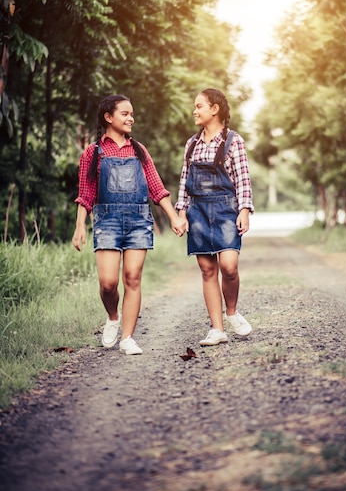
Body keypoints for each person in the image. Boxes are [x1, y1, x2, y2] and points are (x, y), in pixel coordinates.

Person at [72, 94, 186, 355]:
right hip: (107, 220)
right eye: (124, 113)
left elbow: (157, 189)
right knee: (108, 283)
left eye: (132, 113)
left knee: (132, 278)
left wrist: (174, 217)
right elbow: (86, 193)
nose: (130, 118)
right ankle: (113, 317)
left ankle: (127, 337)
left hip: (137, 220)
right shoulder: (93, 152)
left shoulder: (139, 150)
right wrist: (80, 226)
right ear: (108, 117)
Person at [176, 87, 254, 346]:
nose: (194, 111)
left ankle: (231, 312)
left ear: (214, 109)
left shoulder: (233, 141)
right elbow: (184, 181)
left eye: (199, 106)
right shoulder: (191, 144)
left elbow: (243, 179)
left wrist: (244, 210)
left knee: (229, 267)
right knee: (207, 270)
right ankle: (217, 328)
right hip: (197, 210)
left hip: (226, 209)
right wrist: (181, 212)